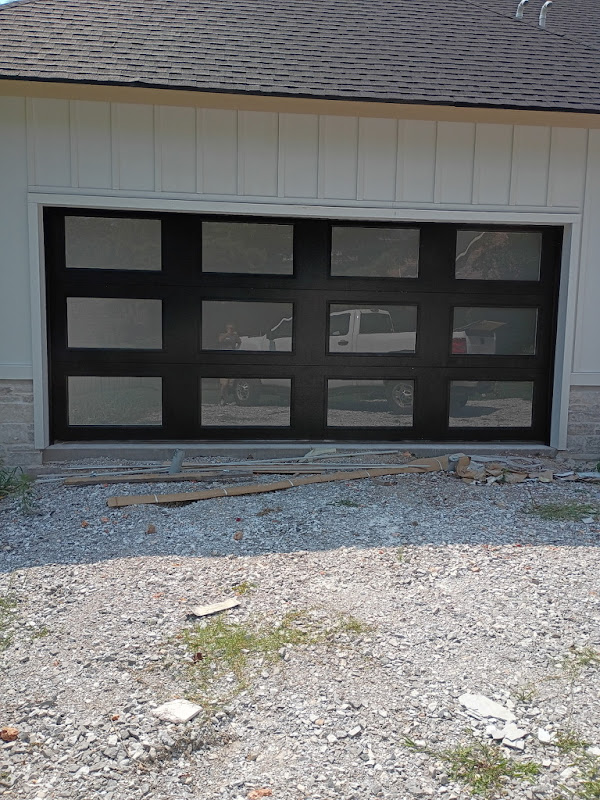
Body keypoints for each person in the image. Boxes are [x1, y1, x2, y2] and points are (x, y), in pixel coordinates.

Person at [218, 323, 241, 405]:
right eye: (229, 328)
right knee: (224, 383)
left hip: (232, 359)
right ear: (226, 328)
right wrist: (227, 334)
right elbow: (220, 340)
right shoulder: (223, 335)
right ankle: (222, 398)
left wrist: (237, 348)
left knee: (232, 382)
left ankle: (231, 399)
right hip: (224, 359)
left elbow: (239, 342)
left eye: (232, 328)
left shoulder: (235, 336)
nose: (231, 329)